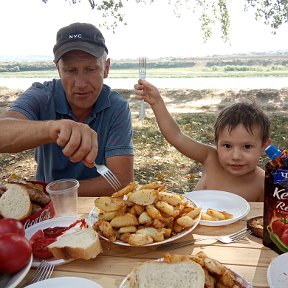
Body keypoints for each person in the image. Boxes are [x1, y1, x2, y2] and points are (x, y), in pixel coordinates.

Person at [0, 22, 134, 196]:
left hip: (96, 211)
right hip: (49, 211)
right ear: (58, 69)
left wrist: (56, 192)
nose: (81, 83)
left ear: (106, 68)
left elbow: (121, 180)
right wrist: (52, 129)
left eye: (91, 69)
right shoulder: (42, 95)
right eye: (70, 70)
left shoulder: (117, 108)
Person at [134, 80, 272, 201]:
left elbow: (261, 222)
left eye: (247, 147)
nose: (235, 156)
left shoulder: (263, 183)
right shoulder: (210, 158)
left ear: (264, 146)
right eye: (227, 146)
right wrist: (157, 103)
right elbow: (176, 136)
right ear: (216, 143)